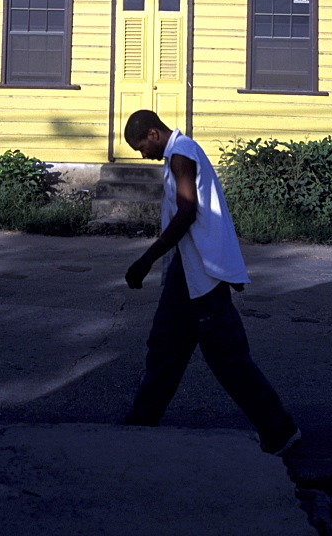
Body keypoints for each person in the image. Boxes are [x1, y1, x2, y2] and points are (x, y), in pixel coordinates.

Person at [122, 109, 300, 455]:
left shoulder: (180, 154)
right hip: (186, 269)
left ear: (154, 134)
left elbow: (187, 212)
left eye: (141, 146)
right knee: (165, 348)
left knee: (228, 358)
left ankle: (280, 430)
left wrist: (146, 259)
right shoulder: (179, 153)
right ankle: (142, 420)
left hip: (203, 271)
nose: (143, 154)